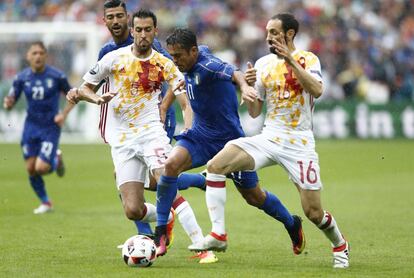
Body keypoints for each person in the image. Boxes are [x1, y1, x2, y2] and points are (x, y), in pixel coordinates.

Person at [67, 8, 217, 263]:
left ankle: (201, 246)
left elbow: (185, 102)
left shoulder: (164, 63)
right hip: (123, 141)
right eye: (139, 30)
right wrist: (95, 98)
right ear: (132, 30)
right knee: (133, 210)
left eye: (148, 30)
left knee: (166, 180)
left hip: (151, 134)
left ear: (155, 32)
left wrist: (188, 132)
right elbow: (84, 88)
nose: (143, 35)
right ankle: (166, 217)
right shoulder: (113, 59)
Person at [201, 13, 350, 269]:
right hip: (270, 136)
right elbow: (256, 111)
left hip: (299, 142)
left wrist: (290, 60)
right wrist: (247, 90)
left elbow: (317, 90)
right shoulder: (263, 64)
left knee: (314, 213)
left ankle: (339, 244)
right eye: (267, 32)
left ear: (289, 34)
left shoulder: (308, 59)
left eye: (274, 32)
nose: (268, 37)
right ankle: (218, 234)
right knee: (216, 166)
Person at [152, 27, 305, 257]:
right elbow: (179, 78)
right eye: (172, 56)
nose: (175, 61)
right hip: (201, 136)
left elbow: (235, 73)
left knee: (254, 197)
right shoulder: (191, 59)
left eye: (178, 56)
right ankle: (160, 232)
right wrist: (165, 104)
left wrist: (244, 87)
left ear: (193, 51)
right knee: (170, 166)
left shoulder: (208, 66)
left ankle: (291, 223)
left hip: (230, 142)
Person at [3, 41, 74, 214]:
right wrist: (8, 103)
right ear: (27, 57)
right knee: (30, 169)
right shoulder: (21, 78)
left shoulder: (57, 76)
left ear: (46, 56)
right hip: (31, 126)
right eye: (34, 53)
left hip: (50, 126)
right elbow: (10, 100)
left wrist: (63, 115)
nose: (38, 56)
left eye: (41, 53)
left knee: (41, 168)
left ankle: (55, 160)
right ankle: (46, 202)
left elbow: (72, 96)